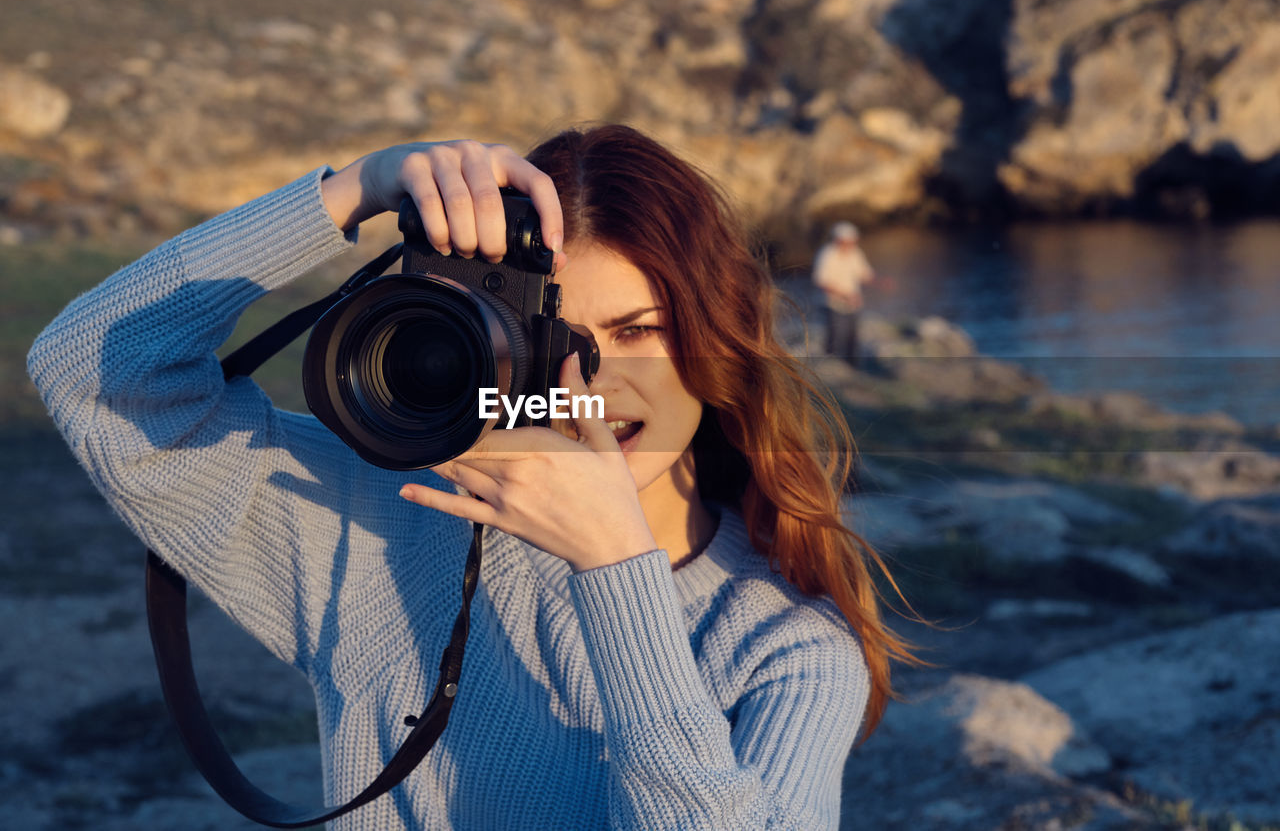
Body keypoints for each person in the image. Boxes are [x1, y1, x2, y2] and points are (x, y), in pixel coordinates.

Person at [28, 125, 917, 829]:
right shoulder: (383, 521)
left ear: (714, 346)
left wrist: (617, 571)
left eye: (640, 333)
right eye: (554, 335)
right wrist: (357, 188)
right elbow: (92, 370)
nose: (589, 381)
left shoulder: (787, 650)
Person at [811, 220, 875, 364]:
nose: (851, 244)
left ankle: (852, 367)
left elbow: (865, 274)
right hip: (831, 304)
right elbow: (821, 281)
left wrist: (882, 283)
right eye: (848, 241)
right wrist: (845, 295)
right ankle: (830, 368)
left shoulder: (856, 252)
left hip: (853, 304)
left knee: (852, 337)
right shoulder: (827, 254)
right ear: (839, 240)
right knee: (835, 337)